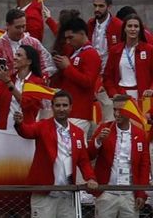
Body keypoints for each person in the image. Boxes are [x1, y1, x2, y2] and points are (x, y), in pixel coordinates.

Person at [15, 90, 98, 218]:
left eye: (65, 105)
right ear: (52, 107)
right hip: (45, 194)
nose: (61, 109)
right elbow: (27, 132)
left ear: (71, 107)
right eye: (58, 105)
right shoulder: (42, 126)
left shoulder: (78, 132)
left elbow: (83, 160)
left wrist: (90, 178)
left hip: (67, 195)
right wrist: (20, 124)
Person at [89, 94, 150, 218]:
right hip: (107, 192)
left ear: (129, 111)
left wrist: (141, 193)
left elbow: (144, 166)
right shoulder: (104, 128)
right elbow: (89, 155)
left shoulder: (140, 134)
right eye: (115, 110)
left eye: (120, 110)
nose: (117, 114)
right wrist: (98, 140)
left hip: (130, 194)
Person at [53, 17, 102, 128]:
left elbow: (88, 82)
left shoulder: (91, 54)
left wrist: (67, 67)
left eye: (71, 37)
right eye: (66, 38)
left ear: (82, 33)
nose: (68, 41)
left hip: (80, 113)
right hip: (67, 111)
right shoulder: (73, 52)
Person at [104, 14, 151, 99]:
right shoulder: (115, 50)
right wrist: (114, 93)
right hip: (121, 96)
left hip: (144, 97)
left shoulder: (149, 50)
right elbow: (108, 77)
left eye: (136, 26)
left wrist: (151, 90)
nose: (133, 29)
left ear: (140, 29)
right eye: (129, 26)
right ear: (124, 29)